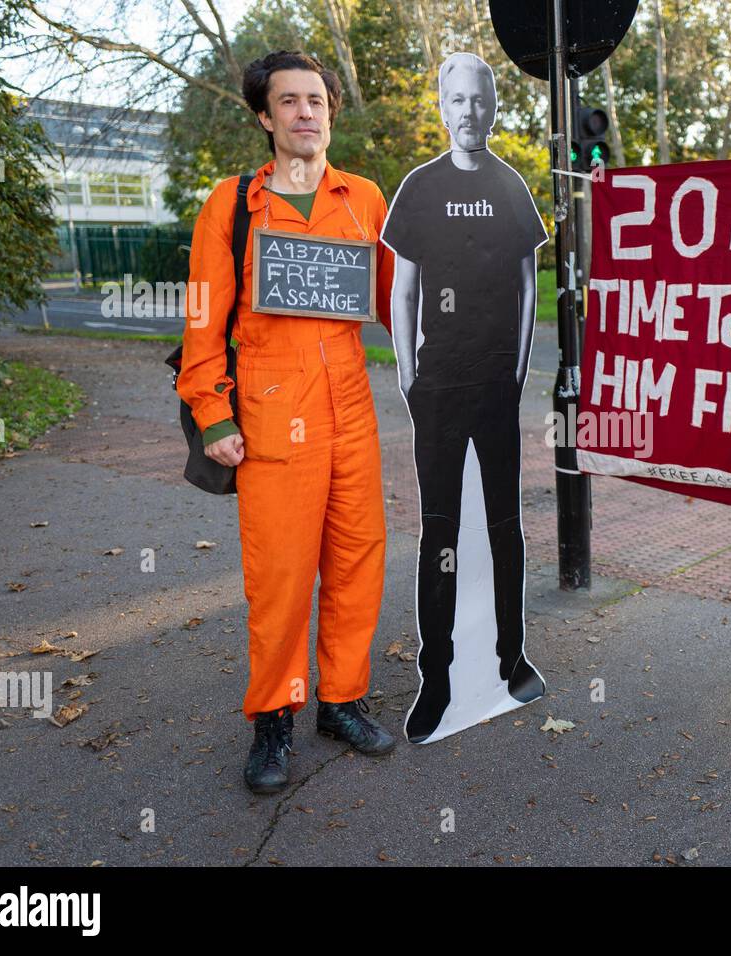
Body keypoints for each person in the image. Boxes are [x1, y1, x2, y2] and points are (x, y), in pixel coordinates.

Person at [177, 50, 398, 794]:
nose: (307, 112)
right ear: (265, 117)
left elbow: (402, 304)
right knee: (278, 578)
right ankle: (274, 715)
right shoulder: (231, 203)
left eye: (318, 100)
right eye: (291, 102)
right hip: (271, 420)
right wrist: (213, 414)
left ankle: (340, 699)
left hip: (352, 414)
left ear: (331, 111)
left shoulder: (364, 197)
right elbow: (204, 322)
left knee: (358, 560)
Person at [382, 52, 547, 743]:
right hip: (439, 389)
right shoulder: (418, 188)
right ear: (443, 107)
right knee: (441, 531)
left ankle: (512, 659)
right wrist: (406, 378)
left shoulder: (513, 189)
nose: (470, 113)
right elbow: (403, 290)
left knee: (505, 527)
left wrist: (516, 371)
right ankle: (438, 678)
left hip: (495, 387)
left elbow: (529, 285)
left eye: (480, 101)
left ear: (494, 107)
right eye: (458, 101)